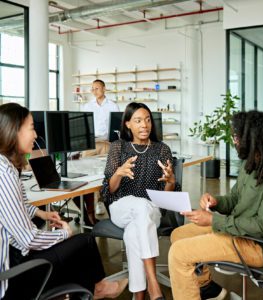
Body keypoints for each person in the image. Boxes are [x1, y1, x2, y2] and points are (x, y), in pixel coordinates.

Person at [0, 103, 128, 300]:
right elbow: (29, 239)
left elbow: (19, 204)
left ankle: (95, 289)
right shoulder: (5, 174)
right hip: (13, 275)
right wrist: (64, 233)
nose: (36, 135)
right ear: (14, 131)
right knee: (82, 239)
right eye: (32, 127)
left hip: (14, 257)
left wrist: (42, 213)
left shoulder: (6, 166)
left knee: (79, 245)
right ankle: (98, 289)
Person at [168, 110, 263, 300]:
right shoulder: (252, 163)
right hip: (238, 232)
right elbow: (235, 199)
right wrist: (216, 201)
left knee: (179, 253)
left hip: (257, 246)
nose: (234, 140)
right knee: (178, 235)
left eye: (237, 136)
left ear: (254, 138)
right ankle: (205, 287)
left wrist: (214, 220)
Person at [102, 102, 180, 300]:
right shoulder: (118, 147)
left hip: (152, 209)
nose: (144, 125)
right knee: (139, 206)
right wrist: (118, 173)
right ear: (127, 124)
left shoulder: (162, 149)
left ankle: (139, 294)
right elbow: (109, 189)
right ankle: (153, 283)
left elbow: (166, 197)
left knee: (134, 231)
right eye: (137, 121)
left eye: (147, 120)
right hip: (121, 206)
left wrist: (171, 181)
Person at [75, 79, 119, 225]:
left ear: (104, 89)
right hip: (90, 145)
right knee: (87, 175)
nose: (95, 91)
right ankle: (89, 210)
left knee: (105, 174)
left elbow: (117, 125)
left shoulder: (113, 105)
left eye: (97, 88)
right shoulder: (88, 106)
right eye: (92, 89)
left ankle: (100, 201)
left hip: (106, 144)